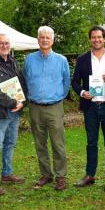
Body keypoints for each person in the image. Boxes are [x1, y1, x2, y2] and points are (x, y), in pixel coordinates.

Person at [72, 26, 105, 192]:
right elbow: (75, 82)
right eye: (93, 37)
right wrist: (82, 92)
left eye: (99, 37)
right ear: (90, 39)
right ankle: (90, 175)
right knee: (91, 143)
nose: (96, 40)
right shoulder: (82, 59)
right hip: (90, 107)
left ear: (104, 39)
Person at [23, 26, 70, 191]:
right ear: (37, 39)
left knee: (58, 144)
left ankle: (61, 176)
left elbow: (66, 83)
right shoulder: (29, 59)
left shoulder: (61, 60)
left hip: (55, 107)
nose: (44, 40)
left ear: (53, 40)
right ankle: (46, 174)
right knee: (40, 143)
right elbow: (25, 81)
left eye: (47, 37)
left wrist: (57, 98)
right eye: (41, 37)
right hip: (35, 107)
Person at [0, 33, 27, 195]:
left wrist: (22, 102)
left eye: (6, 43)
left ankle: (7, 173)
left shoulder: (13, 62)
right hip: (0, 112)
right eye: (0, 43)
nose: (4, 45)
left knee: (10, 143)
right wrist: (13, 102)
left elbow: (22, 84)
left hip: (15, 111)